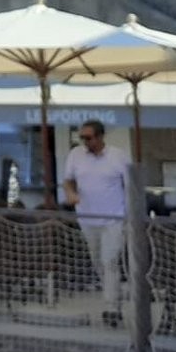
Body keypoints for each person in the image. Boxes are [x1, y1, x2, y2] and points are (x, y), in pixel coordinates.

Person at [60, 119, 130, 326]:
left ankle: (112, 307)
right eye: (82, 138)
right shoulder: (76, 155)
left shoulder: (118, 156)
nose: (85, 142)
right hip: (87, 218)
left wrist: (129, 214)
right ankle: (112, 296)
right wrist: (71, 193)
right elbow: (68, 179)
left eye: (88, 138)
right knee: (98, 261)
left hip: (113, 219)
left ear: (100, 137)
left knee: (110, 261)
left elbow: (130, 184)